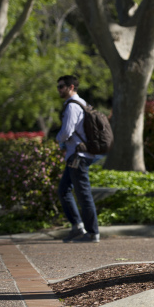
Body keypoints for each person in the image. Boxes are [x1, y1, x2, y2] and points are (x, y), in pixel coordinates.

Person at [56, 75, 100, 243]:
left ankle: (92, 232)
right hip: (76, 155)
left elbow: (67, 131)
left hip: (78, 156)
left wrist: (57, 138)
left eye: (61, 86)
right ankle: (77, 227)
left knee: (83, 194)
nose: (59, 90)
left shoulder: (72, 106)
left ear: (71, 87)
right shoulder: (80, 103)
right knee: (64, 190)